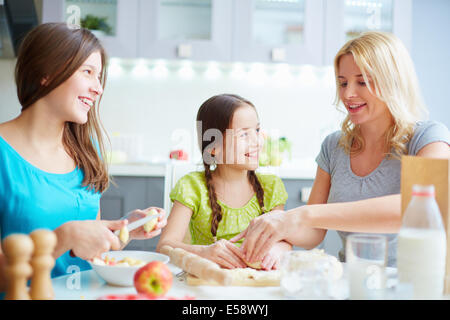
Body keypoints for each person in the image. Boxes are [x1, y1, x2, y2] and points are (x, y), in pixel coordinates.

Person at [232, 31, 450, 267]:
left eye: (362, 81)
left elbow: (416, 210)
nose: (347, 94)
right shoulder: (333, 146)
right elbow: (314, 232)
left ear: (392, 81)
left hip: (413, 282)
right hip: (351, 277)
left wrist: (299, 214)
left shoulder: (428, 139)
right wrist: (278, 236)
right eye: (343, 82)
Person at [0, 23, 166, 292]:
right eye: (87, 72)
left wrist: (123, 229)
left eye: (99, 77)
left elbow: (85, 246)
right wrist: (63, 238)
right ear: (46, 74)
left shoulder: (86, 152)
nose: (98, 89)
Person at [157, 94, 291, 270]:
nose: (257, 142)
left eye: (257, 131)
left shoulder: (271, 187)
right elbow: (163, 248)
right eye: (243, 134)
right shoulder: (192, 187)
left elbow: (285, 241)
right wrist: (203, 252)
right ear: (213, 147)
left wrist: (277, 249)